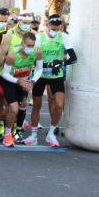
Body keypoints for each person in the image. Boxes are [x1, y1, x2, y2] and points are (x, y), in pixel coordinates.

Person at [24, 14, 77, 147]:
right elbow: (32, 57)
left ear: (60, 25)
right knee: (36, 105)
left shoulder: (64, 37)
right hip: (40, 75)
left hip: (56, 76)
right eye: (53, 25)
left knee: (59, 104)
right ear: (47, 24)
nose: (55, 27)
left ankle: (51, 133)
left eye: (58, 25)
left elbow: (73, 57)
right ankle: (34, 136)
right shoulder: (39, 38)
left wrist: (60, 63)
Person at [0, 32, 43, 147]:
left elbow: (39, 70)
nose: (30, 48)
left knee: (10, 109)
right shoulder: (13, 54)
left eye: (32, 45)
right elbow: (5, 74)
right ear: (22, 44)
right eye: (28, 45)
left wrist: (32, 81)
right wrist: (19, 81)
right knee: (14, 109)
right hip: (9, 80)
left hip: (25, 80)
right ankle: (7, 136)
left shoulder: (37, 51)